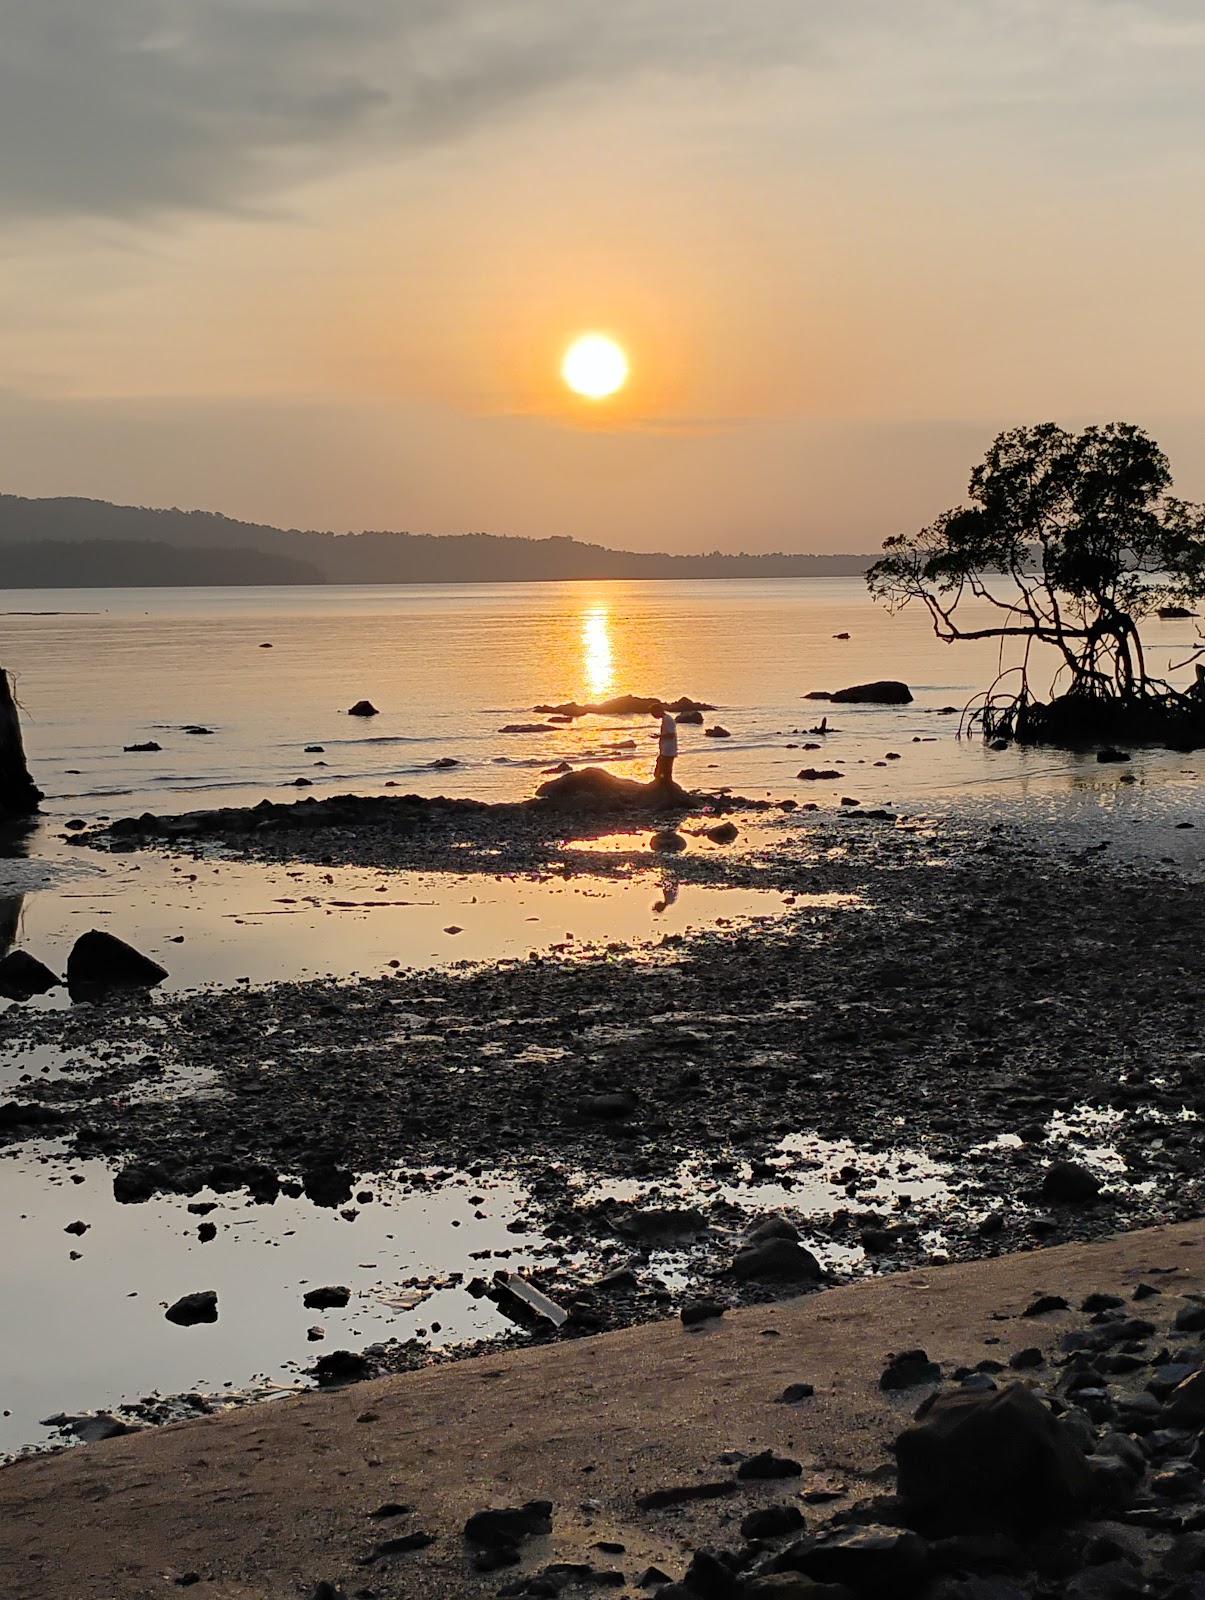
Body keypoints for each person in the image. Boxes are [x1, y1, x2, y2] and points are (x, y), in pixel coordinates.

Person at [652, 705, 677, 788]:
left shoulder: (667, 719)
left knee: (663, 772)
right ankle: (665, 788)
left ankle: (666, 790)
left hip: (668, 750)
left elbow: (671, 734)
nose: (653, 715)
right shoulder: (666, 719)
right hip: (666, 750)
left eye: (653, 713)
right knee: (663, 771)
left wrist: (659, 736)